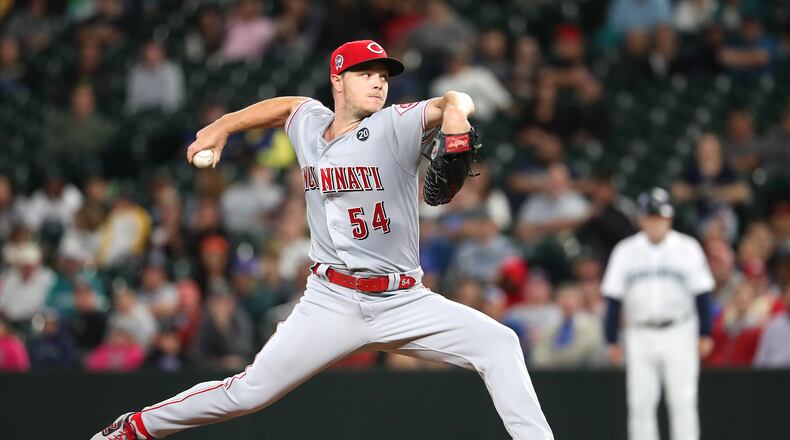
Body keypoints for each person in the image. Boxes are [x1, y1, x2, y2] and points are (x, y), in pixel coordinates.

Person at [91, 40, 553, 440]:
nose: (378, 82)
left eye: (383, 76)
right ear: (337, 80)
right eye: (365, 74)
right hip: (330, 299)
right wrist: (224, 125)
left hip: (403, 300)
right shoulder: (310, 124)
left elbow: (456, 97)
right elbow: (287, 106)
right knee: (250, 392)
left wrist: (454, 115)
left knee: (500, 344)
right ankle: (135, 428)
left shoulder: (394, 124)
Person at [602, 188, 715, 440]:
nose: (655, 222)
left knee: (682, 402)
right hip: (639, 333)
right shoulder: (625, 251)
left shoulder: (687, 248)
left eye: (660, 217)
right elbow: (612, 297)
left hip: (680, 330)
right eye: (650, 217)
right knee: (640, 404)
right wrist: (611, 339)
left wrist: (705, 332)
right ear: (641, 219)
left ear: (669, 218)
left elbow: (702, 294)